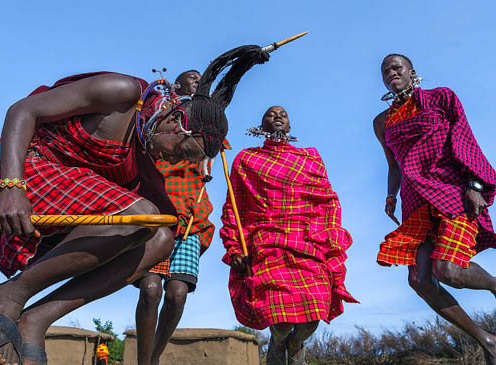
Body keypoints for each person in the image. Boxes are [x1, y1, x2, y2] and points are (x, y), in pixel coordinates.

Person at [0, 45, 269, 365]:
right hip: (24, 180)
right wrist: (12, 187)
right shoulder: (123, 93)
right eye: (181, 152)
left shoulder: (148, 164)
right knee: (143, 216)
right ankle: (5, 297)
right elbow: (22, 111)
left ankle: (37, 319)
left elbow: (169, 224)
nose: (174, 161)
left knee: (161, 235)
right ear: (175, 120)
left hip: (61, 214)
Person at [373, 54, 496, 364]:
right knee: (420, 281)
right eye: (386, 70)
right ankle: (488, 341)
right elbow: (394, 165)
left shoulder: (441, 97)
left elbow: (465, 139)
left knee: (448, 269)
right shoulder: (382, 122)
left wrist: (476, 185)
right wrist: (391, 196)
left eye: (398, 66)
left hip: (451, 191)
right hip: (415, 201)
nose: (392, 72)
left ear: (413, 72)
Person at [220, 106, 357, 365]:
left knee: (315, 308)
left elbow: (327, 201)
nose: (278, 116)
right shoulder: (246, 159)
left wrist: (329, 238)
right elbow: (234, 207)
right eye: (271, 114)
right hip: (267, 244)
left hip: (308, 243)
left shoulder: (310, 158)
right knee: (280, 319)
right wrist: (235, 248)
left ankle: (296, 345)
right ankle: (279, 342)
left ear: (290, 125)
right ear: (262, 127)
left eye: (283, 114)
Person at [133, 70, 216, 365]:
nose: (197, 80)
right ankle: (144, 362)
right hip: (156, 214)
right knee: (150, 288)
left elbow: (213, 147)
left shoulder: (206, 125)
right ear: (176, 85)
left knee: (178, 293)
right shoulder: (160, 118)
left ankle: (154, 357)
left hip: (192, 217)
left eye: (199, 78)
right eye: (190, 78)